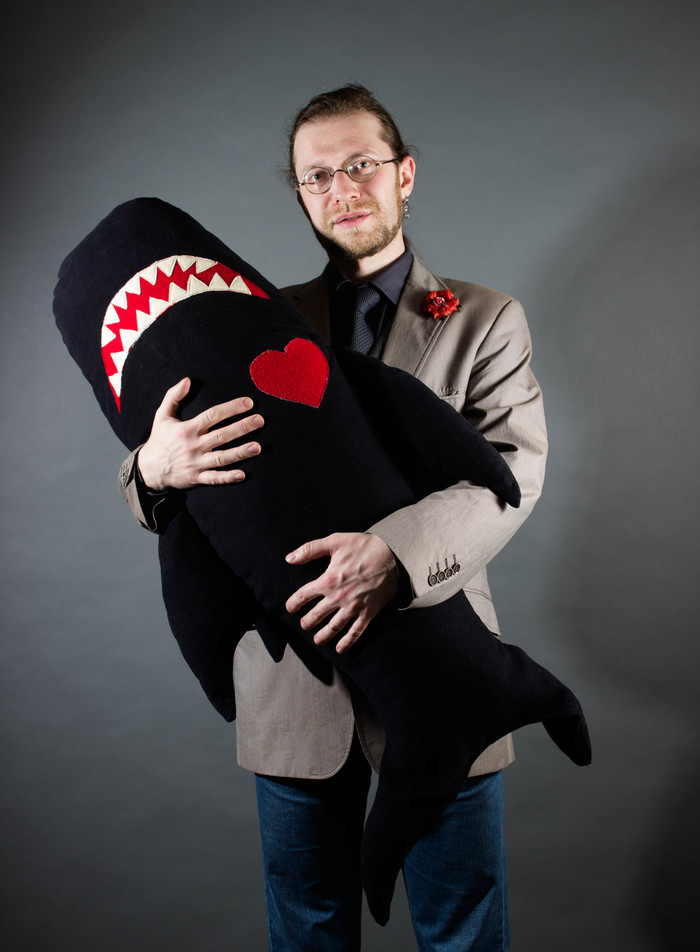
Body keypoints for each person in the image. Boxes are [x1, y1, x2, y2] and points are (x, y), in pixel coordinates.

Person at [118, 85, 547, 951]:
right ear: (301, 194)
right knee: (306, 935)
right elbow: (178, 470)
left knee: (463, 934)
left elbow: (511, 476)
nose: (342, 188)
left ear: (405, 174)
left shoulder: (486, 319)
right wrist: (151, 469)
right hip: (292, 688)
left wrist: (393, 554)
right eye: (318, 176)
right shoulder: (245, 321)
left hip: (443, 671)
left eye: (361, 165)